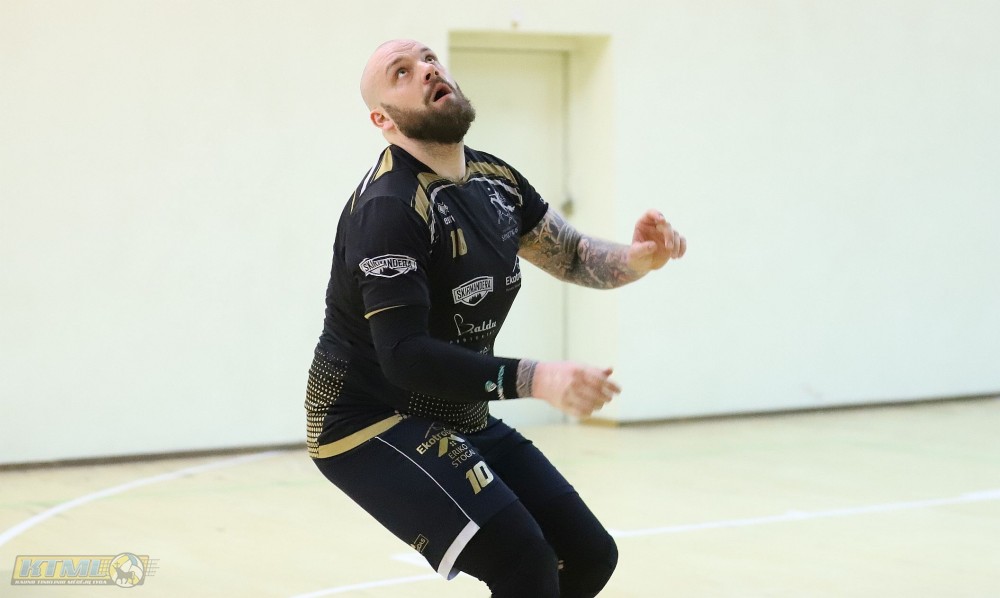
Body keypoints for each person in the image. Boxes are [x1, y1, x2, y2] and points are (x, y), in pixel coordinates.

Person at [305, 38, 686, 597]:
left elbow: (571, 254)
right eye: (401, 72)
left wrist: (638, 258)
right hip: (368, 420)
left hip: (457, 408)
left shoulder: (494, 179)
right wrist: (537, 378)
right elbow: (404, 356)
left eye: (428, 59)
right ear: (382, 120)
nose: (427, 70)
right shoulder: (389, 208)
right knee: (522, 562)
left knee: (587, 555)